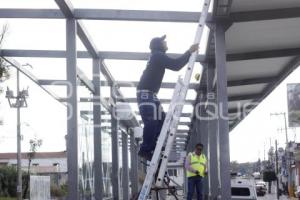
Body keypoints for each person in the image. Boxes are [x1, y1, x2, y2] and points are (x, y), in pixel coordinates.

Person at [136, 35, 199, 160]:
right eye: (163, 41)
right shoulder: (157, 55)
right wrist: (189, 52)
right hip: (146, 94)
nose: (166, 42)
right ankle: (145, 149)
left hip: (151, 95)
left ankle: (152, 146)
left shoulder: (157, 56)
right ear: (158, 45)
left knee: (162, 121)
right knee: (152, 121)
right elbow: (176, 65)